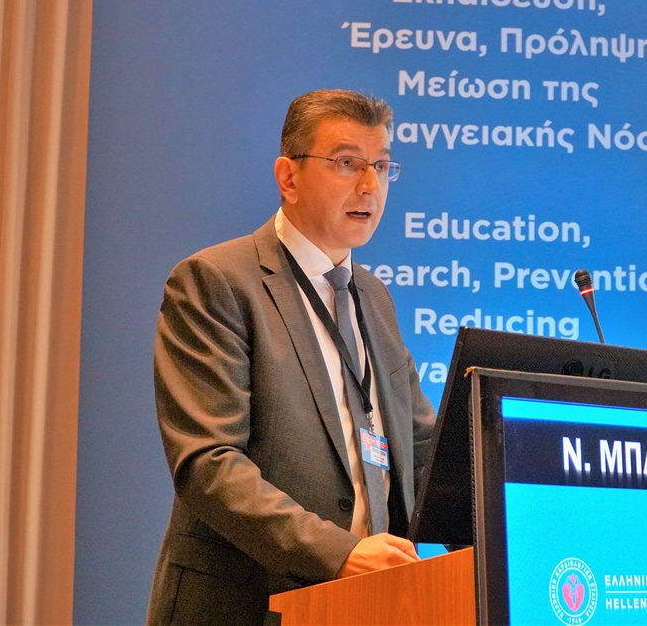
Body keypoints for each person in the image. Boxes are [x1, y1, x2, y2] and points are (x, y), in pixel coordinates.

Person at [146, 89, 436, 626]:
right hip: (243, 605)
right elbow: (209, 464)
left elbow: (422, 449)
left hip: (362, 606)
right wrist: (340, 553)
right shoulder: (216, 282)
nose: (370, 185)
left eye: (381, 166)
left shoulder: (374, 298)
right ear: (289, 177)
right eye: (347, 163)